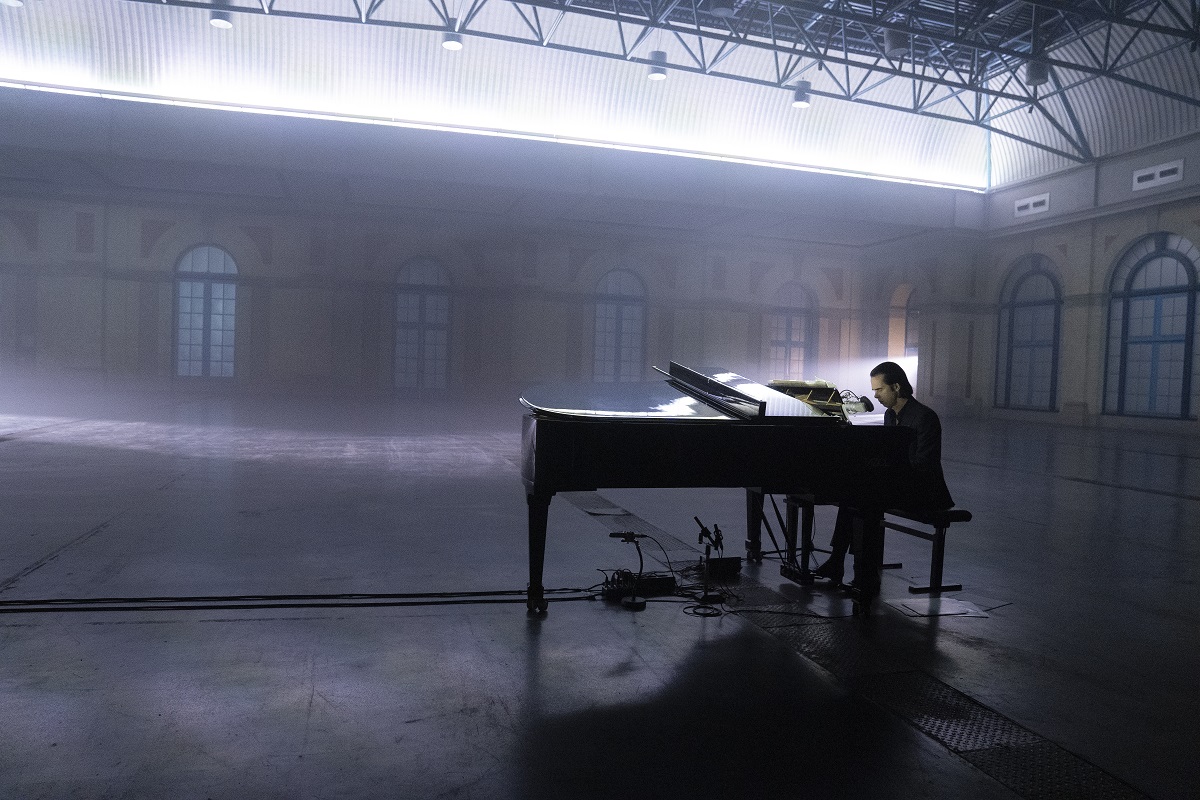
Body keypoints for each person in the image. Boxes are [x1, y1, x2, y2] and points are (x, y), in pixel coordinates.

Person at [812, 361, 954, 608]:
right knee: (855, 493)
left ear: (896, 387)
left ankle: (860, 573)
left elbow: (925, 465)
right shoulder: (892, 415)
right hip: (903, 484)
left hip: (925, 490)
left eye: (879, 390)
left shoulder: (925, 417)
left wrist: (886, 473)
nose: (875, 395)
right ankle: (848, 567)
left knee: (866, 499)